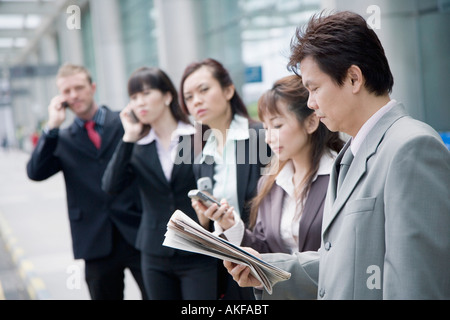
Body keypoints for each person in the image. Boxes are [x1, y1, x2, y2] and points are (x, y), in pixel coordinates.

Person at [224, 11, 450, 300]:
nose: (310, 102)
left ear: (354, 78)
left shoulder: (412, 148)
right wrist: (264, 267)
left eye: (314, 88)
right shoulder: (350, 155)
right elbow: (342, 265)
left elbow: (417, 284)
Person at [26, 64, 147, 300]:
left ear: (92, 88)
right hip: (94, 240)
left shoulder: (125, 122)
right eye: (66, 91)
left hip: (136, 229)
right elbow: (35, 172)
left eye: (79, 88)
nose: (73, 95)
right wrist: (51, 126)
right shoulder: (60, 138)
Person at [102, 66, 218, 300]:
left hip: (198, 248)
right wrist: (128, 137)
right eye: (134, 97)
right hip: (154, 253)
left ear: (167, 96)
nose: (139, 103)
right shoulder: (138, 145)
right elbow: (110, 186)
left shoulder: (198, 137)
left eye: (146, 94)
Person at [209, 74, 344, 255]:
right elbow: (265, 252)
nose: (269, 138)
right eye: (265, 128)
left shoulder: (341, 174)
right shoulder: (269, 183)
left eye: (278, 125)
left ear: (311, 122)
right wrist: (230, 225)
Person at [180, 58, 270, 300]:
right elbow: (209, 227)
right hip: (227, 268)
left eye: (203, 90)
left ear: (228, 90)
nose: (196, 100)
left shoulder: (262, 137)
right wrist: (204, 219)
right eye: (188, 97)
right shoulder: (200, 155)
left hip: (264, 259)